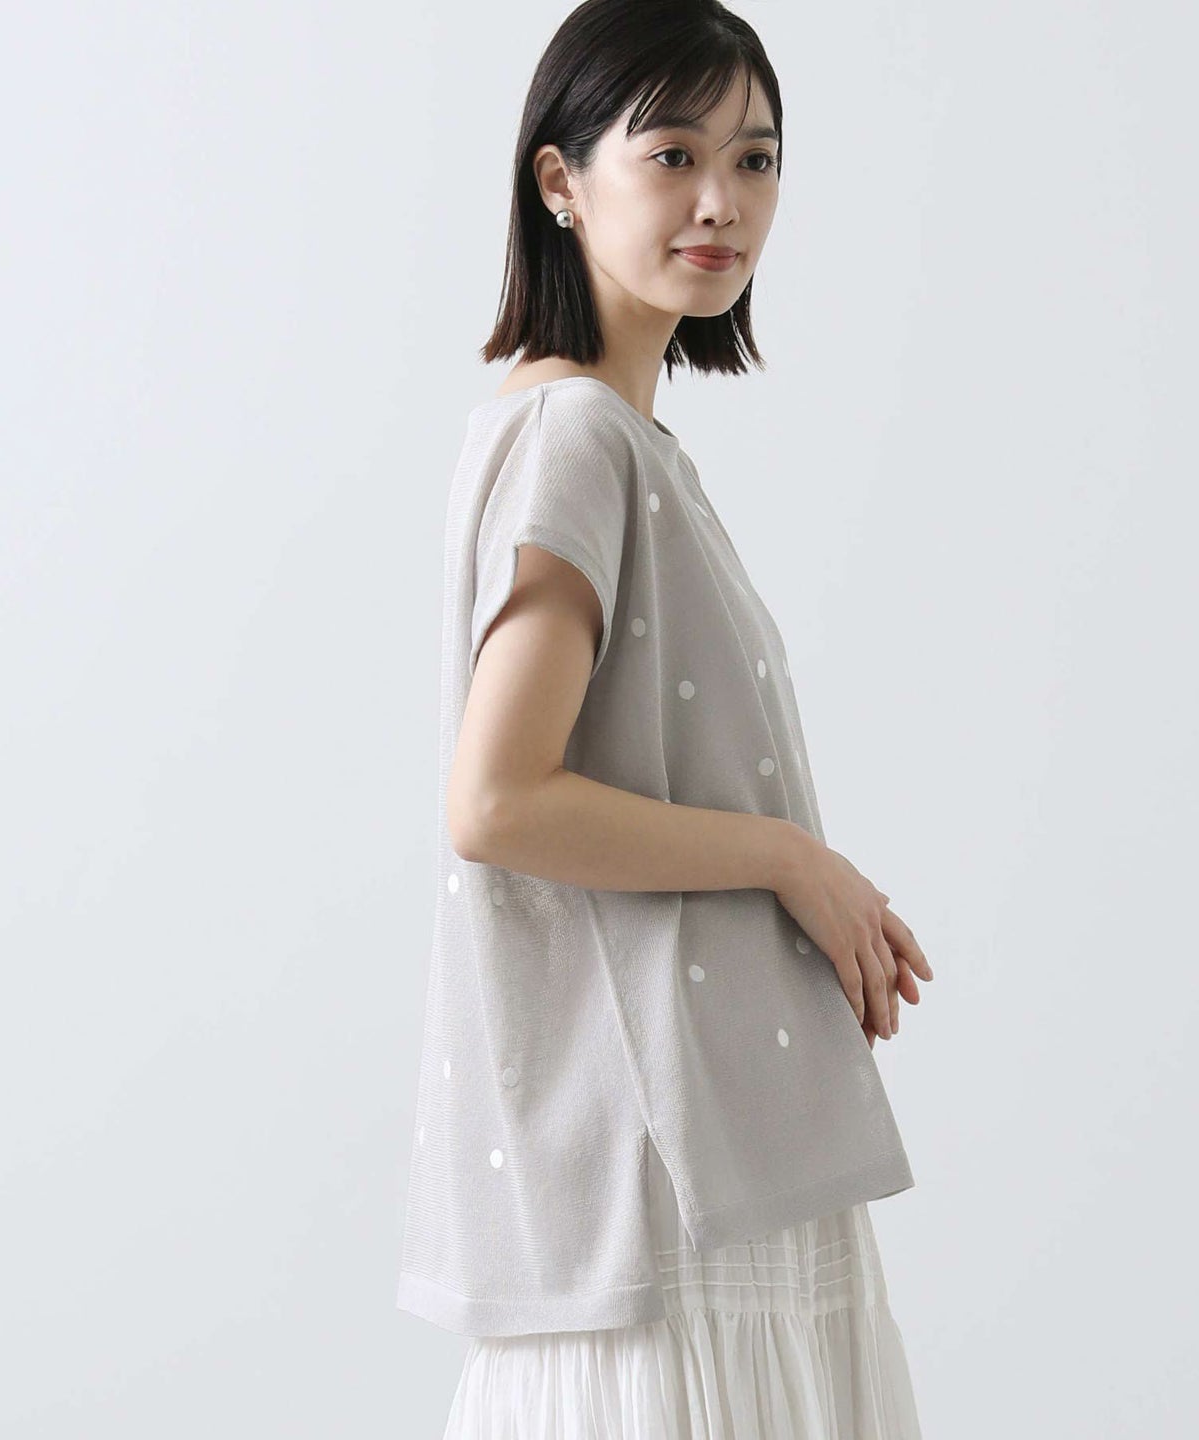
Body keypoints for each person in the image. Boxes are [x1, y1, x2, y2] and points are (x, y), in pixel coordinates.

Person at [396, 2, 935, 1434]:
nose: (722, 202)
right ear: (560, 181)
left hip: (700, 1157)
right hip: (667, 1185)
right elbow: (497, 801)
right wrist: (791, 859)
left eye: (756, 159)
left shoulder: (609, 439)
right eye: (674, 154)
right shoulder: (576, 437)